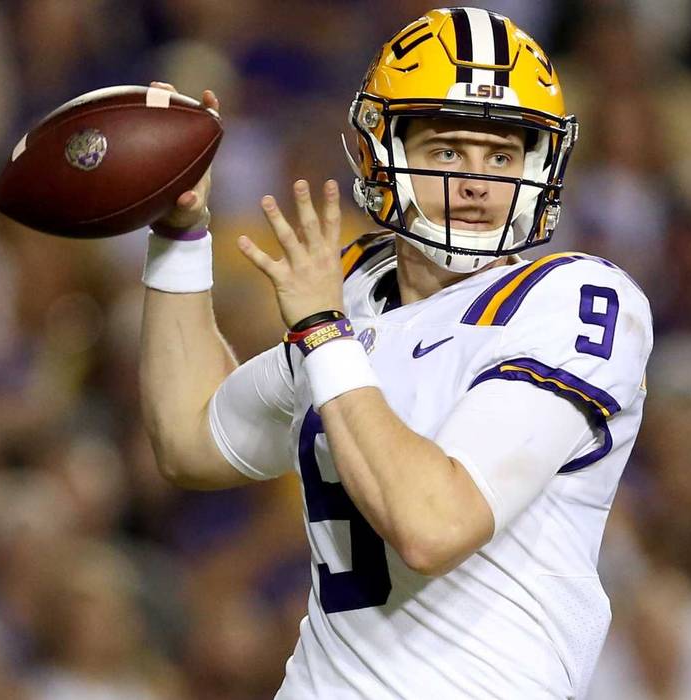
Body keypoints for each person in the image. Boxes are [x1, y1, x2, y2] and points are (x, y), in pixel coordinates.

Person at [139, 7, 653, 698]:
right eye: (447, 150)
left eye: (502, 156)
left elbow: (432, 524)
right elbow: (189, 440)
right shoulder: (355, 295)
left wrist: (322, 331)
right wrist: (179, 234)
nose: (477, 182)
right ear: (380, 151)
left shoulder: (571, 298)